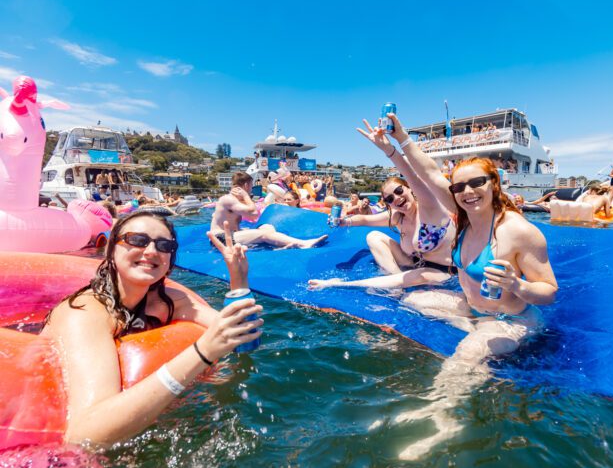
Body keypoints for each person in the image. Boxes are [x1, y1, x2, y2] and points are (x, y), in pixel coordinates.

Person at [386, 148, 557, 459]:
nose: (467, 191)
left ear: (494, 183)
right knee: (413, 300)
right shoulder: (464, 219)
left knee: (468, 354)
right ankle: (471, 327)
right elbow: (429, 174)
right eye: (459, 187)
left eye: (476, 183)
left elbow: (549, 291)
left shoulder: (518, 231)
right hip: (473, 308)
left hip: (513, 319)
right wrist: (398, 142)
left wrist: (517, 285)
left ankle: (442, 418)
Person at [41, 213, 262, 445]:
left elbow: (242, 338)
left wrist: (238, 281)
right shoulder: (84, 313)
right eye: (137, 240)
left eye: (164, 245)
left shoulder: (169, 302)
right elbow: (84, 435)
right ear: (110, 252)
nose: (151, 251)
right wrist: (202, 353)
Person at [309, 117, 456, 292]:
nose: (396, 199)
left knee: (418, 279)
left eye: (399, 191)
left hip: (442, 272)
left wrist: (389, 150)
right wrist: (344, 221)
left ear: (410, 189)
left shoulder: (430, 208)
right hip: (415, 265)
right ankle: (394, 282)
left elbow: (414, 175)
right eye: (389, 199)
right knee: (374, 236)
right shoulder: (397, 216)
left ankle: (344, 284)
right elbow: (364, 219)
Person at [210, 172, 327, 249]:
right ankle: (303, 244)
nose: (251, 189)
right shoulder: (228, 199)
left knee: (267, 227)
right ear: (246, 185)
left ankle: (282, 246)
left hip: (231, 235)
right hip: (221, 239)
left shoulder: (234, 199)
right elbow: (253, 214)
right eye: (250, 186)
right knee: (263, 234)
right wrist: (246, 196)